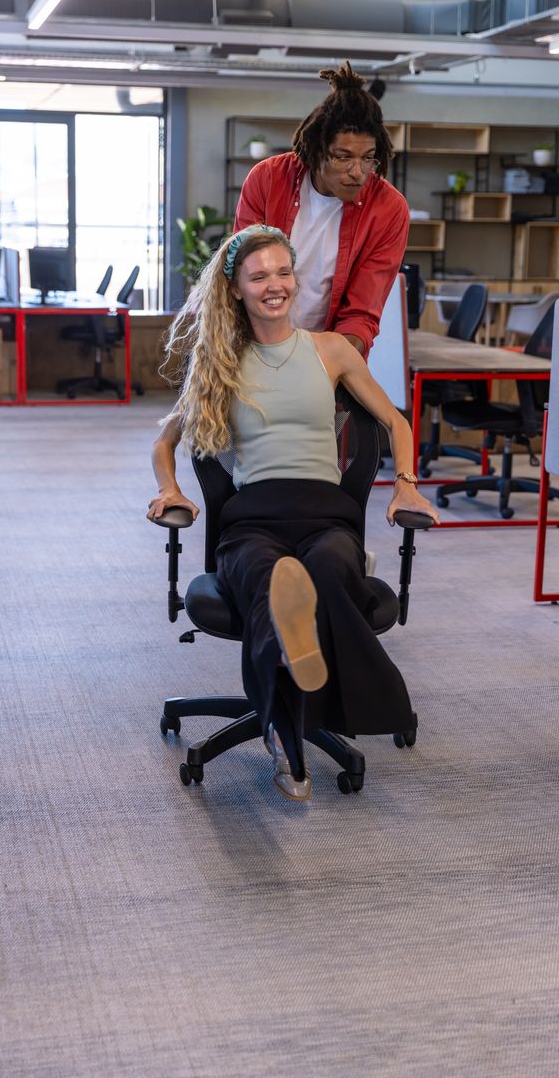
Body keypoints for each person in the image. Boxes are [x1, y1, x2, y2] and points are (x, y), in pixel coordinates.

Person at [148, 225, 438, 803]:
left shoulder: (332, 349)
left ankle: (286, 708)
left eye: (283, 272)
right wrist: (171, 490)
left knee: (331, 567)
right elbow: (165, 442)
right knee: (262, 576)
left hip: (326, 516)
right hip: (253, 517)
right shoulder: (218, 363)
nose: (275, 285)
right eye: (259, 277)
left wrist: (406, 487)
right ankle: (291, 715)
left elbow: (397, 422)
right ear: (235, 289)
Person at [234, 62, 409, 358]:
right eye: (343, 157)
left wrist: (322, 372)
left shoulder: (388, 209)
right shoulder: (268, 179)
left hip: (328, 355)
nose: (358, 172)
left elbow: (361, 315)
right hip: (255, 345)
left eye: (368, 158)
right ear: (317, 152)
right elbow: (244, 275)